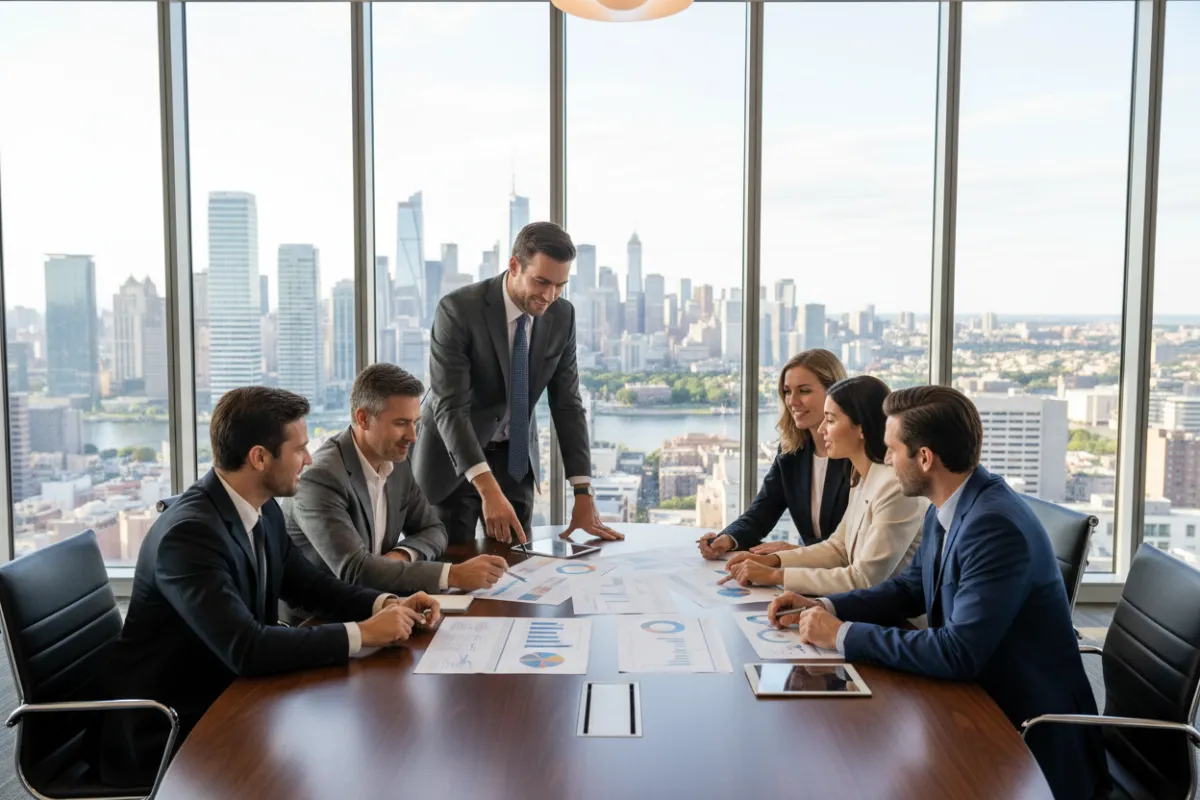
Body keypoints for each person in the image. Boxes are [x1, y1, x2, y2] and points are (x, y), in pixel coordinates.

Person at [766, 386, 1107, 800]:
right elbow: (910, 589)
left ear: (924, 458)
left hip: (1028, 735)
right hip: (977, 701)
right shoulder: (949, 504)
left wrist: (840, 634)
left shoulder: (993, 527)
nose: (886, 459)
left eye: (892, 450)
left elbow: (958, 653)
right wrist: (825, 604)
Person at [102, 387, 441, 784]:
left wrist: (383, 603)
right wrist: (362, 634)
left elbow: (310, 586)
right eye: (299, 449)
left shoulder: (260, 510)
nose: (309, 459)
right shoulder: (189, 537)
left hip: (234, 698)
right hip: (173, 728)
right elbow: (245, 648)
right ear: (259, 457)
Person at [413, 221, 622, 545]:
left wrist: (582, 491)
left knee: (516, 571)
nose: (549, 296)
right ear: (514, 265)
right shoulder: (458, 310)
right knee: (451, 571)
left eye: (559, 285)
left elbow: (567, 403)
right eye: (541, 282)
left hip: (514, 461)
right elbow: (450, 407)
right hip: (452, 461)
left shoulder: (562, 316)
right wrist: (486, 486)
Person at [282, 364, 508, 607]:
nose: (413, 436)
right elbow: (355, 571)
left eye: (415, 422)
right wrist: (452, 575)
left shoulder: (396, 460)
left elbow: (434, 529)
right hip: (323, 621)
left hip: (384, 604)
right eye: (401, 423)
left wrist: (401, 555)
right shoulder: (319, 479)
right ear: (363, 418)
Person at [719, 375, 927, 595]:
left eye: (830, 420)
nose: (821, 430)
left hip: (894, 621)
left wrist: (775, 575)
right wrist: (772, 560)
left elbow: (864, 578)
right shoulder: (862, 476)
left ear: (861, 428)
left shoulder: (895, 487)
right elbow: (838, 548)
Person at [697, 350, 851, 561]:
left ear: (834, 392)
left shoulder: (855, 454)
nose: (793, 401)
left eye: (804, 391)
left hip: (851, 578)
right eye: (787, 391)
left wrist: (794, 552)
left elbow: (855, 541)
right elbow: (761, 512)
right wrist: (728, 538)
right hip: (811, 575)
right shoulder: (792, 452)